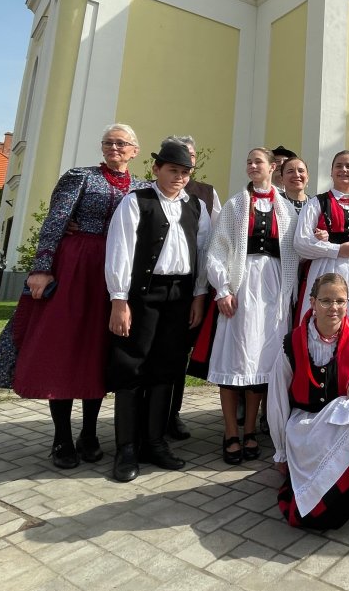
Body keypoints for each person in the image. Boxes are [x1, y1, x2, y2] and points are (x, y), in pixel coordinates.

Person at [3, 123, 146, 469]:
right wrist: (41, 268)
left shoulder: (142, 187)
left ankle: (90, 433)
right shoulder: (79, 176)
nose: (114, 148)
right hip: (76, 267)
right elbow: (55, 222)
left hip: (114, 275)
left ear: (134, 150)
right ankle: (62, 437)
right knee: (66, 348)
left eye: (121, 143)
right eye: (108, 142)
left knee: (97, 350)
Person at [104, 140, 210, 482]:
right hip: (142, 295)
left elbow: (203, 252)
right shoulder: (136, 202)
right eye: (172, 170)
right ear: (157, 169)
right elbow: (120, 250)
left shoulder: (196, 206)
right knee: (133, 366)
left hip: (180, 295)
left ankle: (155, 442)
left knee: (166, 368)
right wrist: (119, 299)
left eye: (184, 172)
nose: (178, 177)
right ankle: (127, 448)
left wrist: (198, 295)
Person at [268, 273, 349, 529]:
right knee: (316, 515)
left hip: (343, 417)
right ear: (313, 303)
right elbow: (277, 399)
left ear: (348, 303)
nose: (334, 308)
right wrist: (281, 452)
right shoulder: (292, 343)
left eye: (340, 301)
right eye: (326, 301)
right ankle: (338, 496)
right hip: (308, 422)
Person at [206, 147, 298, 464]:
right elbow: (217, 250)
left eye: (257, 161)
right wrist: (223, 289)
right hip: (242, 286)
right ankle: (230, 431)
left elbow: (297, 251)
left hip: (274, 291)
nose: (252, 166)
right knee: (234, 360)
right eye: (248, 162)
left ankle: (249, 431)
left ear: (272, 167)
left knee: (262, 362)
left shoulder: (286, 209)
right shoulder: (235, 205)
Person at [163, 134, 221, 441]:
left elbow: (214, 243)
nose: (186, 163)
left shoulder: (207, 194)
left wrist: (203, 293)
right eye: (178, 158)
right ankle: (146, 419)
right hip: (152, 289)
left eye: (190, 157)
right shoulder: (147, 192)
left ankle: (172, 415)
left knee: (177, 356)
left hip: (190, 289)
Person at [294, 150, 349, 338]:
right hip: (326, 268)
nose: (343, 169)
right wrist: (336, 249)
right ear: (331, 171)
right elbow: (301, 242)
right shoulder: (317, 203)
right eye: (339, 166)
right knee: (325, 315)